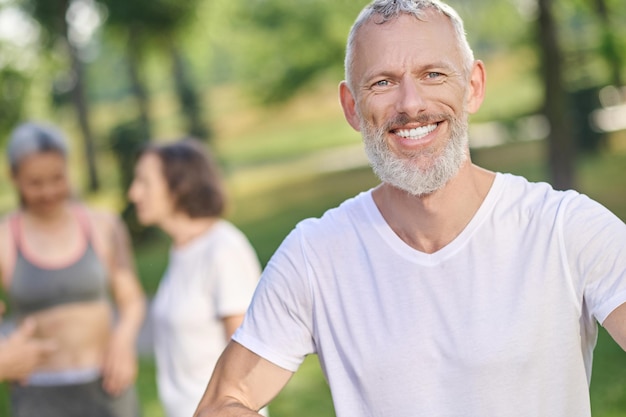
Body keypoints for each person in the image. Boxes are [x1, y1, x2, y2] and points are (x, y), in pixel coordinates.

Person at [193, 0, 626, 416]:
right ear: (352, 107)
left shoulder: (564, 229)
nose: (410, 104)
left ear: (473, 87)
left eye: (433, 74)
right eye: (382, 82)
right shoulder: (315, 255)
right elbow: (221, 403)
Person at [0, 121, 146, 417]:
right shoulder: (5, 237)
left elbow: (131, 299)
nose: (49, 191)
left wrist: (123, 340)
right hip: (38, 393)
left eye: (57, 178)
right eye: (35, 183)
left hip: (108, 384)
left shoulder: (104, 227)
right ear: (14, 177)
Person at [128, 139, 266, 417]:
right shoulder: (182, 251)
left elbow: (248, 359)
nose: (133, 193)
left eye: (144, 182)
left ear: (178, 185)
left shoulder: (223, 248)